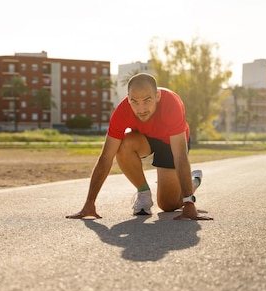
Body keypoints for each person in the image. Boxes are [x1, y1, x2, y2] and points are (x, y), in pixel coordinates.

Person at [66, 72, 213, 221]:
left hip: (171, 141)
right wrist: (90, 203)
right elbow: (106, 157)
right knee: (123, 145)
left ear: (157, 96)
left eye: (147, 100)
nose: (141, 109)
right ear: (128, 98)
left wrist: (188, 203)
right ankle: (143, 195)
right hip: (146, 138)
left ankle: (193, 180)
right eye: (134, 101)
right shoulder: (122, 111)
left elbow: (180, 155)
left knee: (167, 205)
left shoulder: (171, 103)